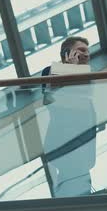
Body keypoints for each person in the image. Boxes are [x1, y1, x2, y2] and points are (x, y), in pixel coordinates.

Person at [41, 36, 97, 197]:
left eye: (88, 51)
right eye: (82, 50)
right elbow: (50, 99)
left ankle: (73, 199)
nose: (87, 54)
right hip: (63, 139)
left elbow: (84, 98)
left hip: (82, 140)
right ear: (68, 53)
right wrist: (72, 68)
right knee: (76, 177)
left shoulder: (89, 77)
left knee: (80, 177)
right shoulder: (49, 71)